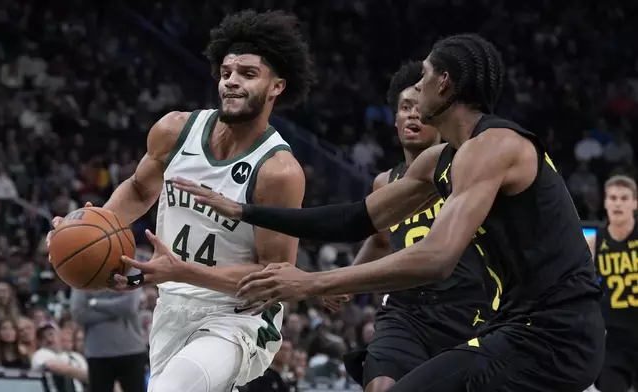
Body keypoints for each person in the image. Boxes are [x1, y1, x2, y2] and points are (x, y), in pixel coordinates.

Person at [185, 34, 605, 391]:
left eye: (423, 76)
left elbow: (436, 258)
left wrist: (312, 282)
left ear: (445, 82)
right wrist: (244, 209)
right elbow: (355, 219)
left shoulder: (495, 146)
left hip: (557, 333)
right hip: (515, 326)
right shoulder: (440, 160)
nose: (416, 89)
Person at [48, 10, 318, 392]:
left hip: (239, 317)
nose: (232, 83)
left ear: (276, 86)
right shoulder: (175, 130)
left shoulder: (278, 172)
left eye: (248, 74)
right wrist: (85, 229)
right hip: (172, 307)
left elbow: (271, 277)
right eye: (226, 73)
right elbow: (140, 190)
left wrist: (182, 271)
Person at [343, 61, 496, 392]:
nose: (411, 115)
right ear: (395, 120)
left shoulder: (468, 169)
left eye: (418, 107)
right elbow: (381, 241)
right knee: (381, 385)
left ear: (436, 116)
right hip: (406, 312)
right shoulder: (384, 183)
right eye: (403, 108)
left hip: (469, 311)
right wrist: (348, 282)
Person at [586, 175, 638, 392]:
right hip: (614, 337)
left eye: (624, 198)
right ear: (605, 202)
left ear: (634, 203)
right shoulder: (594, 242)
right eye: (613, 197)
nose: (618, 203)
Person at [70, 288, 147, 392]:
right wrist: (117, 311)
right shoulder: (80, 274)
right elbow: (78, 313)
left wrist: (95, 303)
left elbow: (130, 306)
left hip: (132, 349)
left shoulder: (132, 272)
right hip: (97, 353)